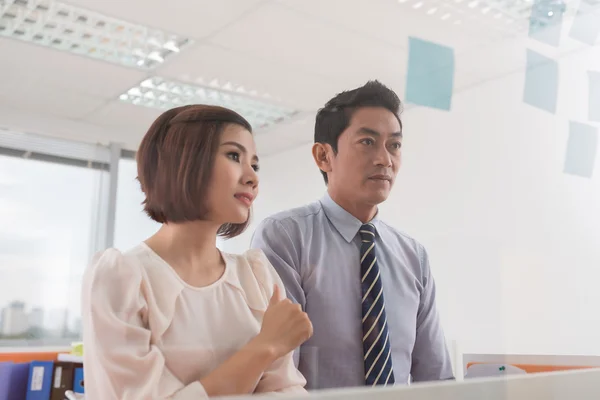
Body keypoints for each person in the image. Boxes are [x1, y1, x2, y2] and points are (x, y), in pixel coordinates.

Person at [81, 105, 313, 399]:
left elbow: (286, 391)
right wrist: (264, 347)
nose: (252, 177)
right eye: (233, 156)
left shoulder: (256, 276)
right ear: (183, 162)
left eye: (254, 165)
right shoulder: (121, 277)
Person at [250, 81, 454, 390]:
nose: (385, 159)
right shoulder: (286, 238)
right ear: (323, 156)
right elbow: (279, 378)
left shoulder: (413, 256)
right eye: (368, 142)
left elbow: (437, 378)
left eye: (394, 145)